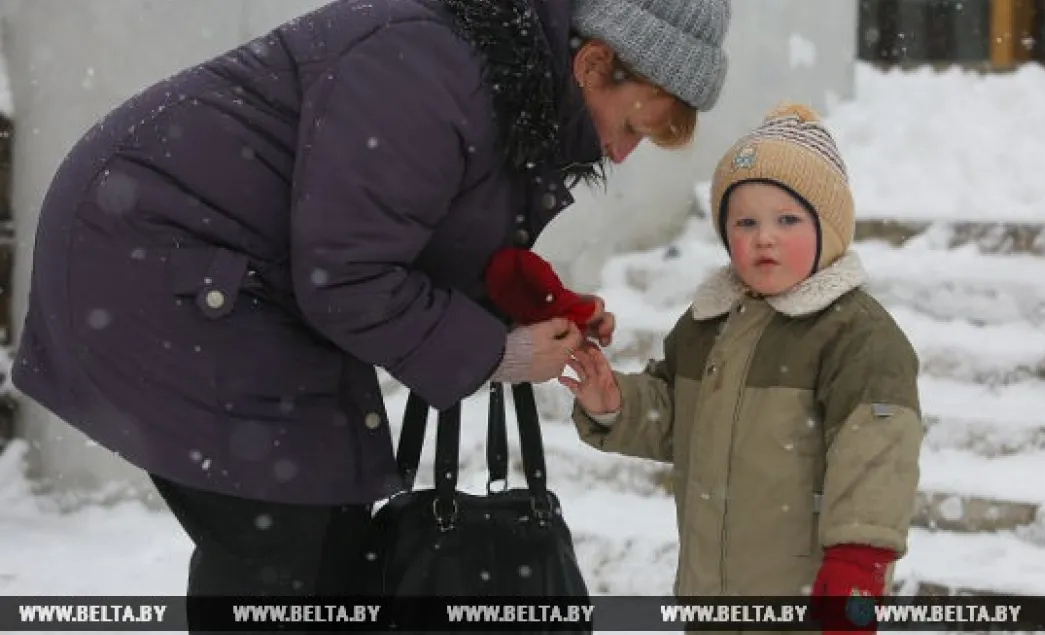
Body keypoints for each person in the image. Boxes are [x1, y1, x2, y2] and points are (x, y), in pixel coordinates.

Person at [12, 0, 731, 599]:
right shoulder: (431, 69)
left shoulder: (502, 85)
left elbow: (420, 234)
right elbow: (349, 276)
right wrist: (499, 353)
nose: (624, 154)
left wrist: (527, 305)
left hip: (242, 282)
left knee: (331, 541)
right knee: (284, 546)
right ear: (593, 63)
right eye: (635, 125)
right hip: (154, 267)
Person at [562, 103, 924, 617]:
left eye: (788, 219)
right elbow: (674, 415)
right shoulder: (710, 322)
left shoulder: (855, 335)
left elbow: (876, 456)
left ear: (830, 228)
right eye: (745, 221)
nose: (764, 237)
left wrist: (857, 564)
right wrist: (614, 402)